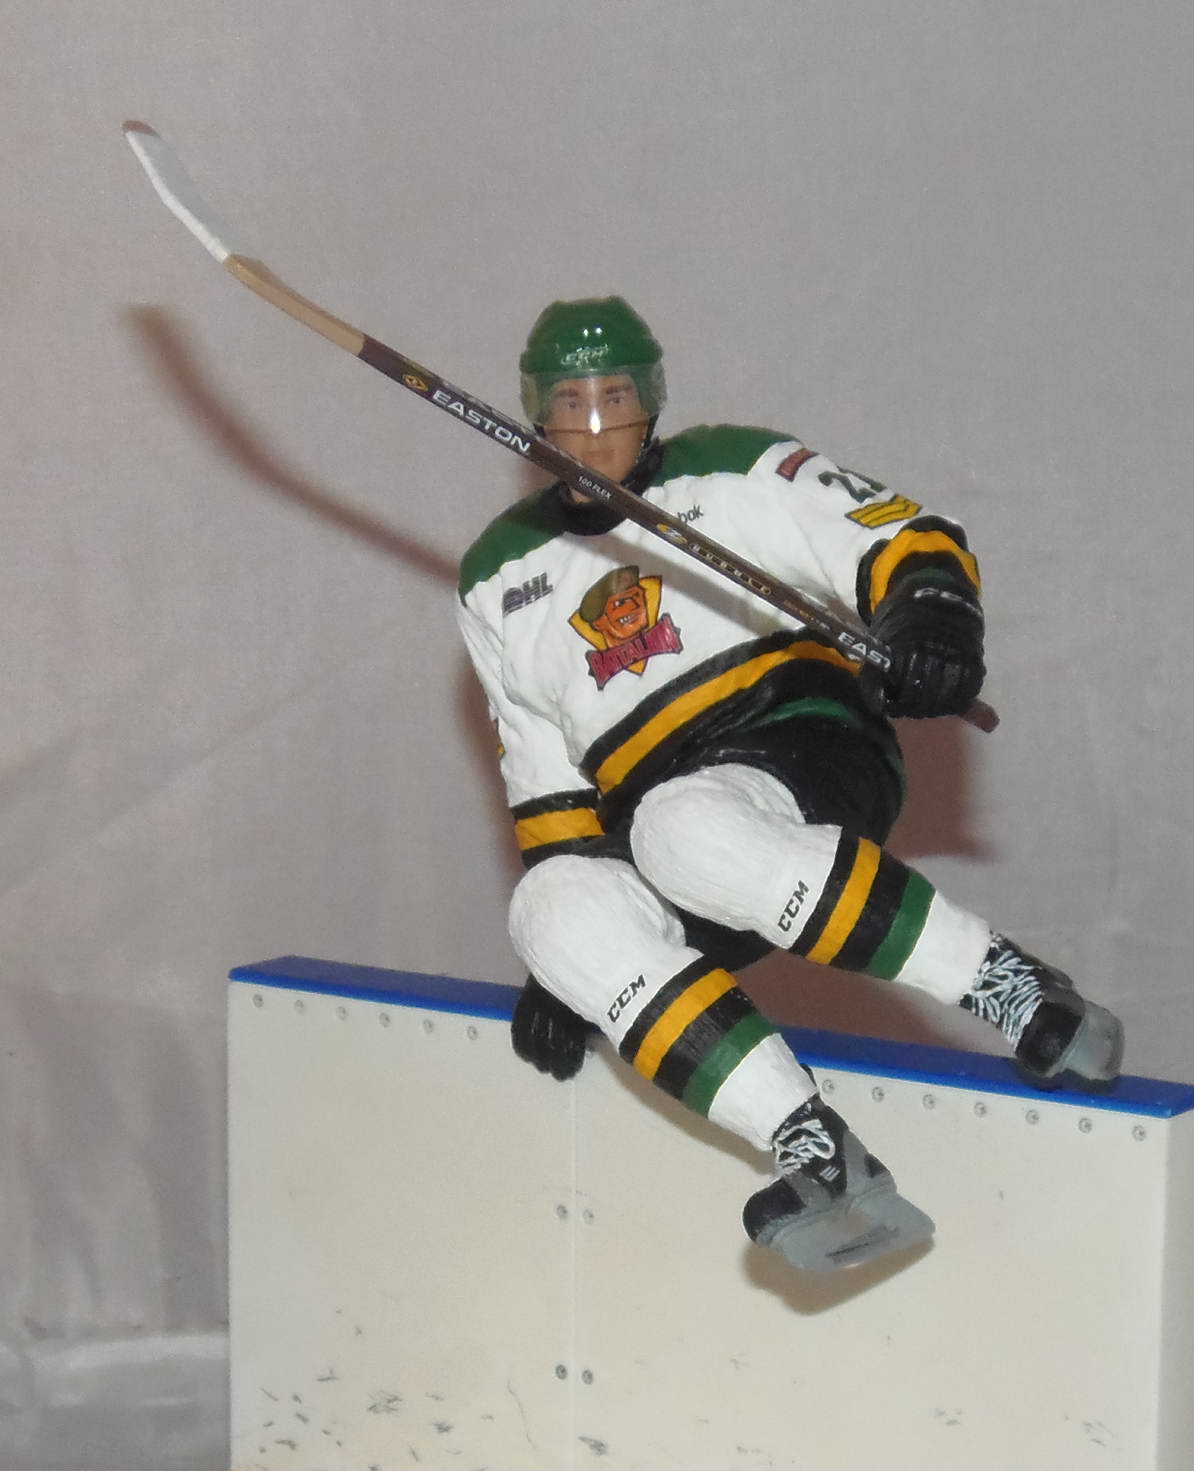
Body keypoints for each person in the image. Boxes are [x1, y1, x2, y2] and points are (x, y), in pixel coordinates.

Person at [457, 298, 1122, 1271]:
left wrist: (930, 613)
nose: (594, 431)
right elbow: (544, 778)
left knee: (682, 828)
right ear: (533, 413)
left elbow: (890, 530)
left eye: (614, 400)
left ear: (653, 401)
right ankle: (814, 1149)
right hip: (659, 826)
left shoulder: (728, 465)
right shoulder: (495, 574)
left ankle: (1014, 990)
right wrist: (575, 968)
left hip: (801, 737)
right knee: (552, 911)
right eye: (570, 405)